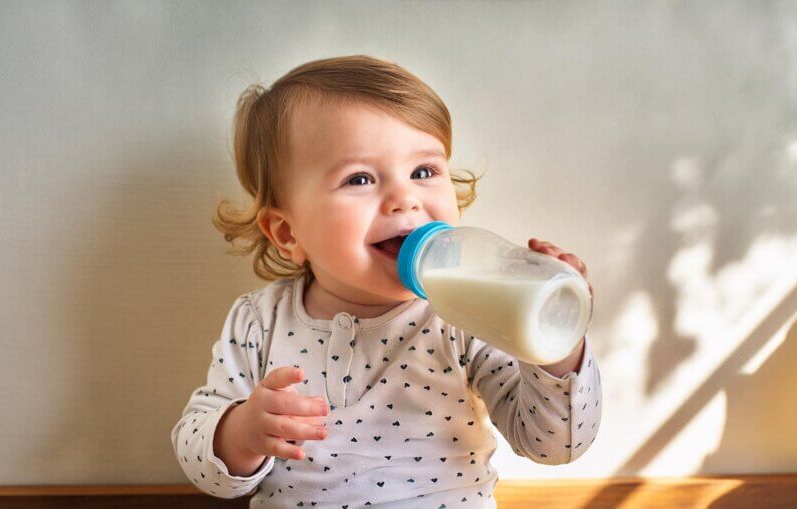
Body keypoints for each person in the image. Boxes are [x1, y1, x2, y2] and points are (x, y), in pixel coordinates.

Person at [171, 54, 602, 508]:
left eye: (424, 172)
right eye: (360, 178)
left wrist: (555, 346)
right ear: (287, 232)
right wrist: (241, 432)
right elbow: (204, 464)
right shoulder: (259, 321)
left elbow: (556, 445)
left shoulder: (467, 310)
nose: (404, 198)